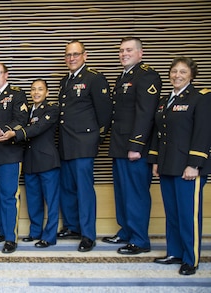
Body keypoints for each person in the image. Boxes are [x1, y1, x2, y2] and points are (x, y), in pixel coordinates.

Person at [149, 57, 211, 275]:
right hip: (168, 166)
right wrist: (156, 160)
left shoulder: (200, 97)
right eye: (174, 71)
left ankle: (190, 259)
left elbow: (204, 133)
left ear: (192, 75)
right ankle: (174, 252)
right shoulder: (167, 99)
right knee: (173, 213)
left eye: (183, 72)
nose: (177, 75)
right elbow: (159, 133)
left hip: (188, 168)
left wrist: (194, 164)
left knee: (188, 215)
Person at [105, 37, 162, 255]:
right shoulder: (124, 76)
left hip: (135, 148)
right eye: (121, 50)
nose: (124, 54)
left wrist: (136, 145)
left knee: (136, 194)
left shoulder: (146, 75)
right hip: (120, 146)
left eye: (129, 50)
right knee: (122, 192)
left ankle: (140, 239)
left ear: (141, 53)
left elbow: (146, 114)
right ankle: (127, 231)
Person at [56, 40, 113, 252]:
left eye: (76, 54)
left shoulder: (94, 78)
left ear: (85, 55)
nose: (72, 58)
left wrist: (96, 139)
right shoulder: (65, 80)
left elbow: (105, 113)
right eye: (68, 55)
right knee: (68, 189)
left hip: (84, 144)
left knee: (84, 190)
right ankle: (73, 226)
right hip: (66, 143)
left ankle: (88, 234)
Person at [0, 79, 60, 248]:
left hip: (47, 161)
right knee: (34, 199)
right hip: (30, 160)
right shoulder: (28, 111)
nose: (36, 93)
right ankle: (35, 232)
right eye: (33, 89)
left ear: (47, 92)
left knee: (51, 200)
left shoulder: (52, 109)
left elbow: (37, 128)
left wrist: (14, 134)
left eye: (40, 89)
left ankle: (49, 236)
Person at [0, 63, 29, 253]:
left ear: (6, 75)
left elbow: (21, 120)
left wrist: (6, 131)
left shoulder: (17, 94)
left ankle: (11, 237)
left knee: (9, 196)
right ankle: (3, 231)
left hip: (10, 152)